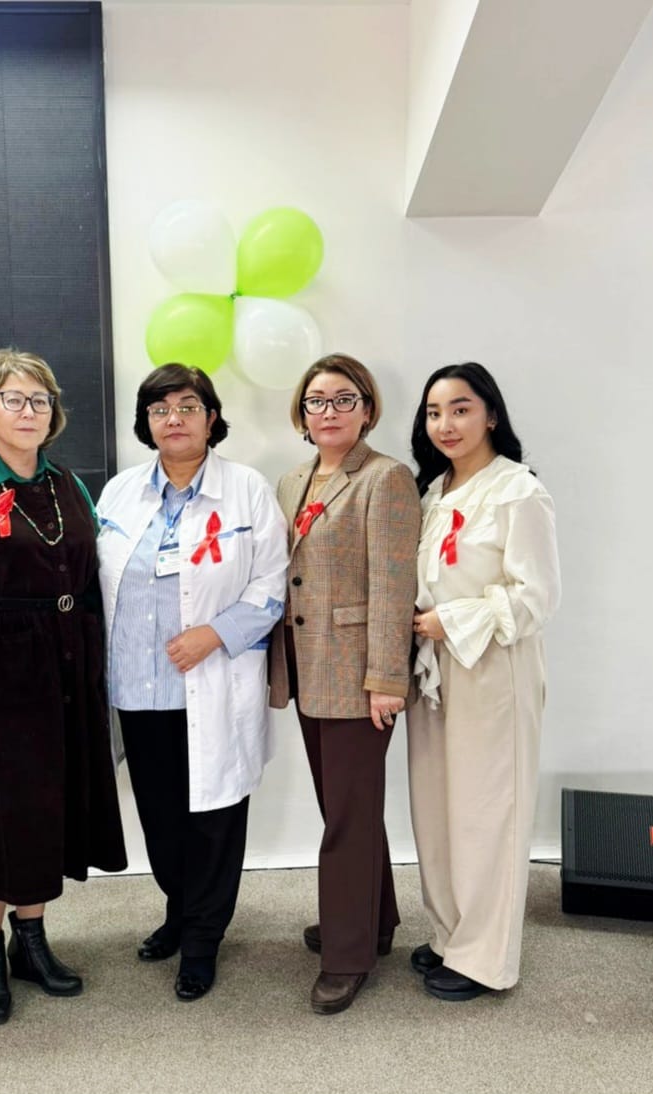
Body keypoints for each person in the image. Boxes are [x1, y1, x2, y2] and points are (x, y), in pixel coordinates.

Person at [0, 349, 127, 1025]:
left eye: (40, 399)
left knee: (47, 806)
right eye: (13, 399)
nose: (29, 410)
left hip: (64, 667)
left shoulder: (70, 485)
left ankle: (30, 939)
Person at [96, 364, 288, 1002]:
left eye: (187, 406)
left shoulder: (247, 490)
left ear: (211, 417)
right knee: (160, 817)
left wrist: (214, 633)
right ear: (145, 422)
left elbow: (271, 584)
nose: (173, 419)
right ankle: (179, 912)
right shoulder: (119, 493)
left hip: (214, 681)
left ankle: (203, 939)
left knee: (214, 817)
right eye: (159, 409)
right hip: (138, 690)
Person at [268, 354, 421, 1015]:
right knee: (345, 808)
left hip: (359, 676)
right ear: (301, 414)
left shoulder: (386, 478)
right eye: (315, 401)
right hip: (307, 667)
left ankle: (347, 954)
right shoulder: (292, 480)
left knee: (347, 819)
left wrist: (386, 678)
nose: (327, 412)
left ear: (367, 409)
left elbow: (393, 584)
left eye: (341, 399)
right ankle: (375, 921)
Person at [408, 362, 561, 1001]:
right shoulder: (433, 493)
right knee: (437, 807)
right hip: (434, 669)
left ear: (491, 415)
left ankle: (485, 958)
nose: (446, 424)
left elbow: (537, 596)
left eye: (461, 409)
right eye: (434, 412)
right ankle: (452, 934)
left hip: (494, 668)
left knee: (488, 811)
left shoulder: (517, 491)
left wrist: (451, 620)